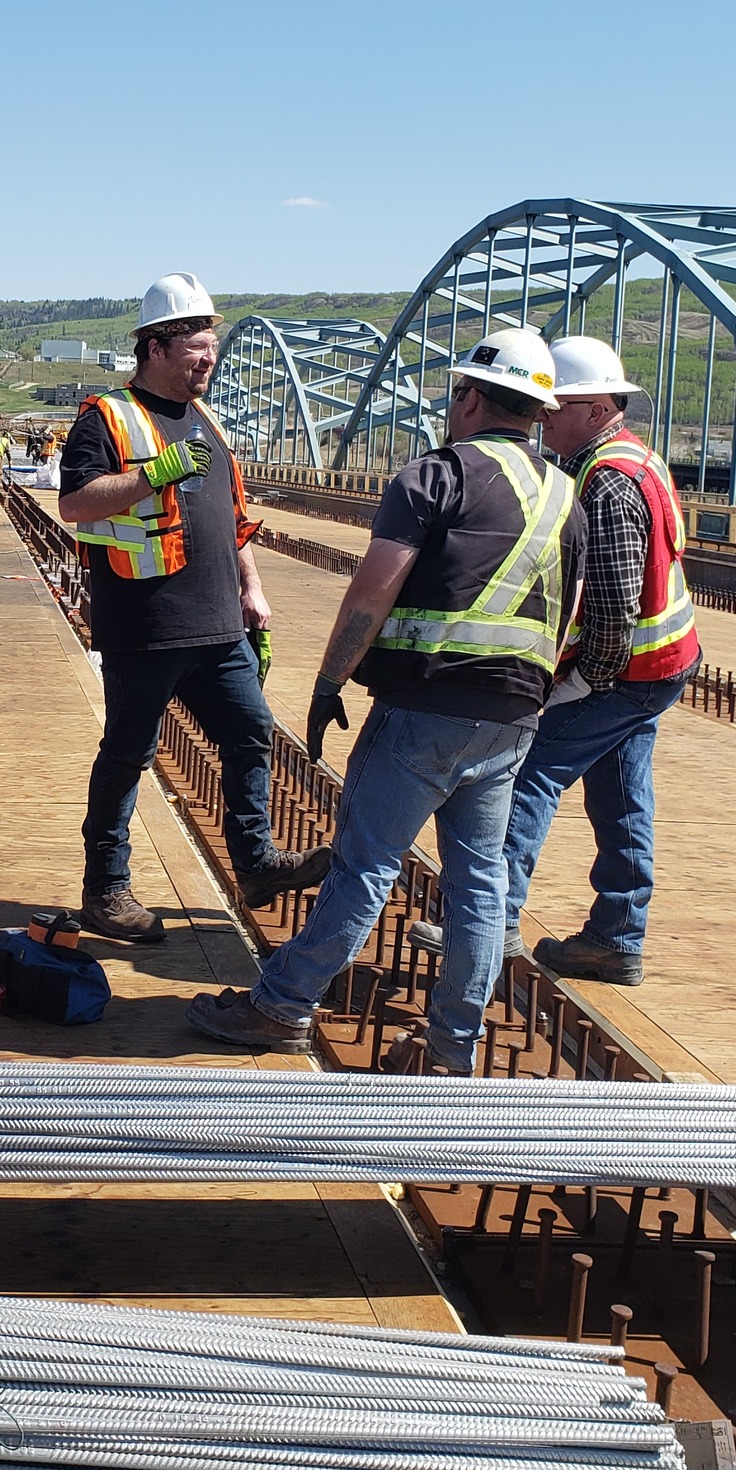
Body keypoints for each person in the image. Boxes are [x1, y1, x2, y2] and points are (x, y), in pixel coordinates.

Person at [188, 326, 585, 1063]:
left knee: (366, 863)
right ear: (537, 409)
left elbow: (373, 591)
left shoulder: (435, 476)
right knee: (478, 884)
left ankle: (282, 1005)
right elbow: (571, 612)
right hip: (512, 718)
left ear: (468, 396)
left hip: (422, 710)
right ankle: (449, 1047)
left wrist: (330, 678)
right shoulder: (568, 496)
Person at [407, 338, 700, 985]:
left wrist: (576, 685)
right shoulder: (635, 458)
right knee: (623, 795)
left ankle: (491, 923)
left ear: (596, 408)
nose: (541, 417)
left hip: (627, 671)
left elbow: (615, 610)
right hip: (662, 666)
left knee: (528, 773)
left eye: (554, 406)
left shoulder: (608, 482)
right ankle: (616, 936)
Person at [58, 272, 331, 943]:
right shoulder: (108, 418)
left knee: (250, 733)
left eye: (212, 348)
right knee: (129, 754)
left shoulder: (205, 419)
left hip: (220, 627)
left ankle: (257, 863)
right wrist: (154, 473)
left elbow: (232, 520)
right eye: (196, 349)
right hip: (146, 627)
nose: (208, 360)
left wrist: (253, 590)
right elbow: (74, 505)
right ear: (155, 346)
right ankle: (106, 889)